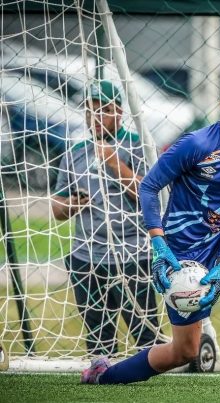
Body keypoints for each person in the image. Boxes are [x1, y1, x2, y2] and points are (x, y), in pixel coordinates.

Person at [81, 71, 220, 387]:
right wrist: (159, 243)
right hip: (183, 245)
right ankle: (103, 375)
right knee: (184, 351)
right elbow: (149, 187)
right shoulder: (196, 143)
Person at [52, 80, 161, 355]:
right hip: (87, 256)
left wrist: (115, 164)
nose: (97, 117)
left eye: (106, 110)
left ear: (120, 113)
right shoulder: (75, 152)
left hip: (132, 255)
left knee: (147, 337)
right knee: (99, 345)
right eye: (92, 110)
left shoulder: (140, 146)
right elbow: (57, 208)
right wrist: (72, 205)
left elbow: (151, 197)